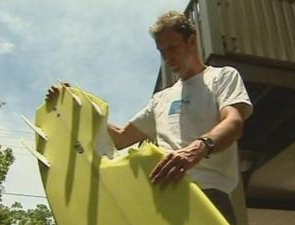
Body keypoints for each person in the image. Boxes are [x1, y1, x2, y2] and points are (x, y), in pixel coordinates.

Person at [46, 10, 252, 225]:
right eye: (162, 52)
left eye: (173, 48)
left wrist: (196, 149)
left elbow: (234, 122)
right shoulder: (162, 98)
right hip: (163, 197)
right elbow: (121, 137)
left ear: (191, 41)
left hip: (209, 195)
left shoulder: (222, 76)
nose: (168, 58)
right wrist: (76, 105)